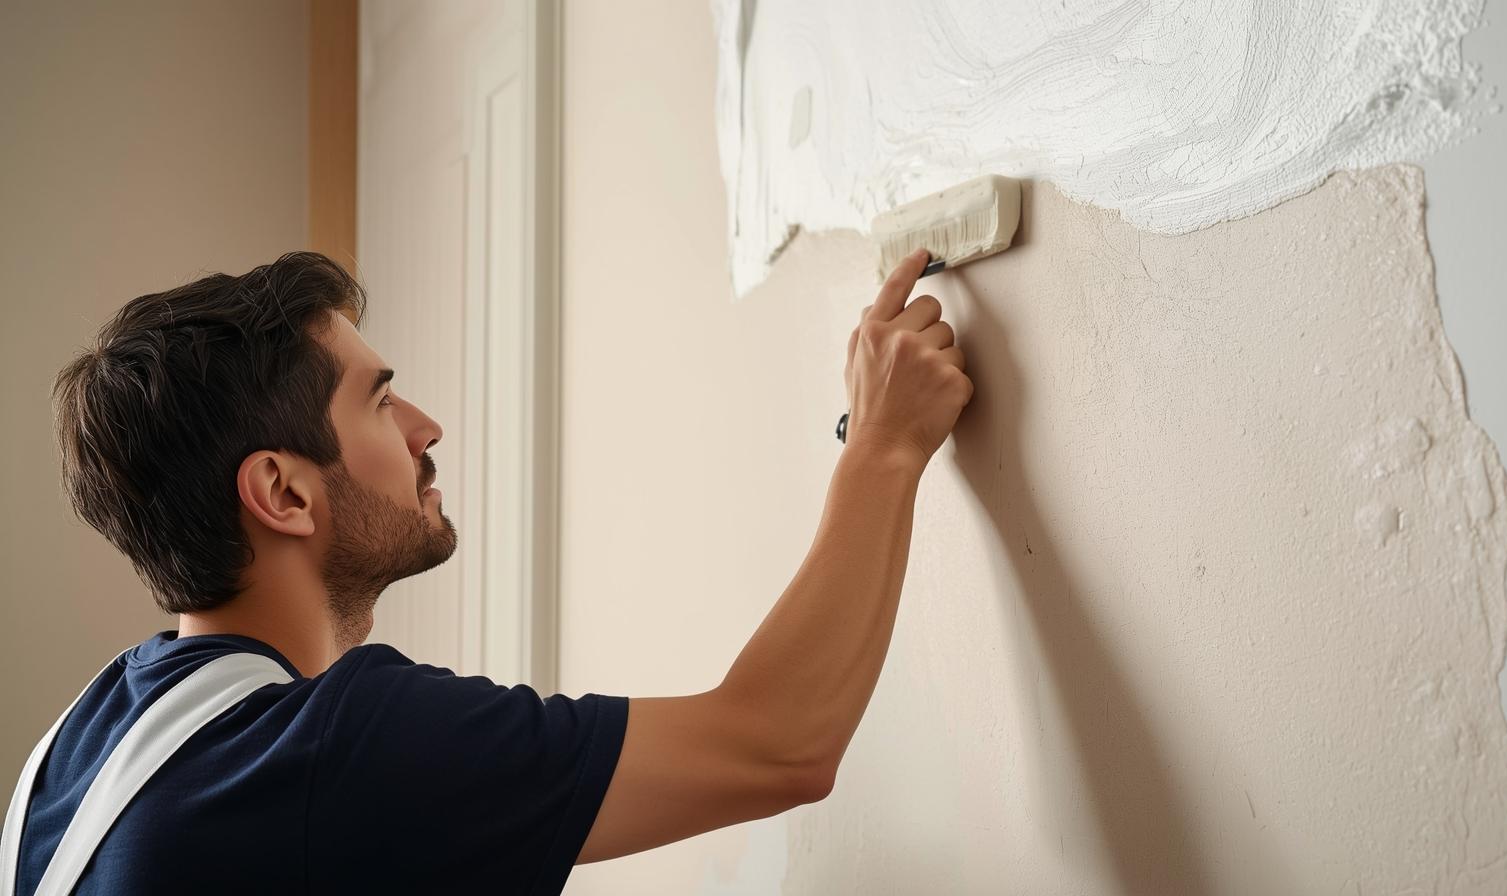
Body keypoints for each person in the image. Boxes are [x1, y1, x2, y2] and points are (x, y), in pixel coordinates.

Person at [3, 247, 970, 893]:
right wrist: (883, 447)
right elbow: (776, 743)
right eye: (379, 402)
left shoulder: (71, 751)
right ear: (283, 493)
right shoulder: (332, 748)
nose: (425, 430)